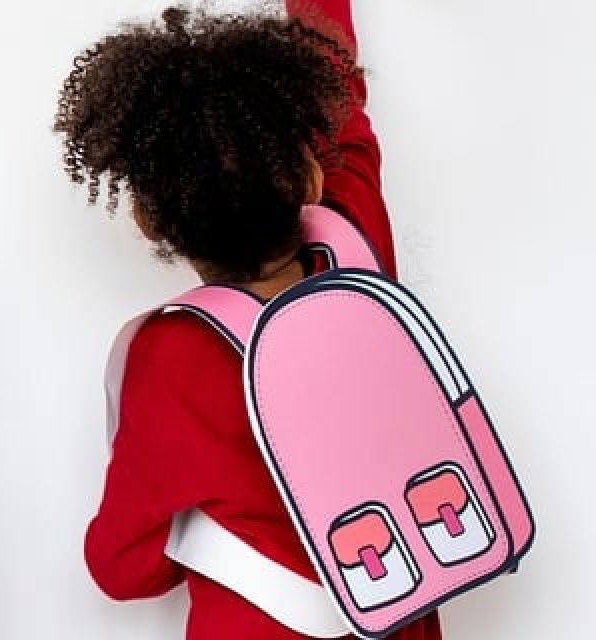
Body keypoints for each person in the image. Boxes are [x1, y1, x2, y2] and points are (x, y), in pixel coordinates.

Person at [61, 1, 440, 637]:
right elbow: (345, 115)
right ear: (311, 178)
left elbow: (123, 568)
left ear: (148, 222)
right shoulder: (358, 254)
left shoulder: (169, 358)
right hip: (399, 611)